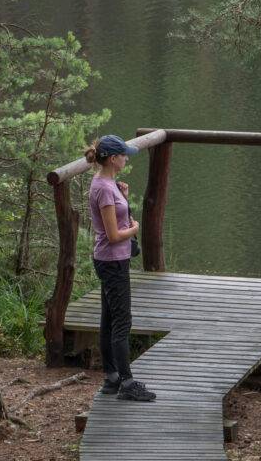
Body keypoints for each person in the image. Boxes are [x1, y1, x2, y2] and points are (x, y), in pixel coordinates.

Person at [86, 133, 156, 402]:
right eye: (124, 155)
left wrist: (123, 197)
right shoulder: (103, 188)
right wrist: (134, 229)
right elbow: (113, 235)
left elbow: (113, 217)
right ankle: (126, 382)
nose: (127, 158)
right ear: (113, 159)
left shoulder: (107, 183)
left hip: (111, 260)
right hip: (112, 261)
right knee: (121, 322)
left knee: (109, 319)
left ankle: (112, 378)